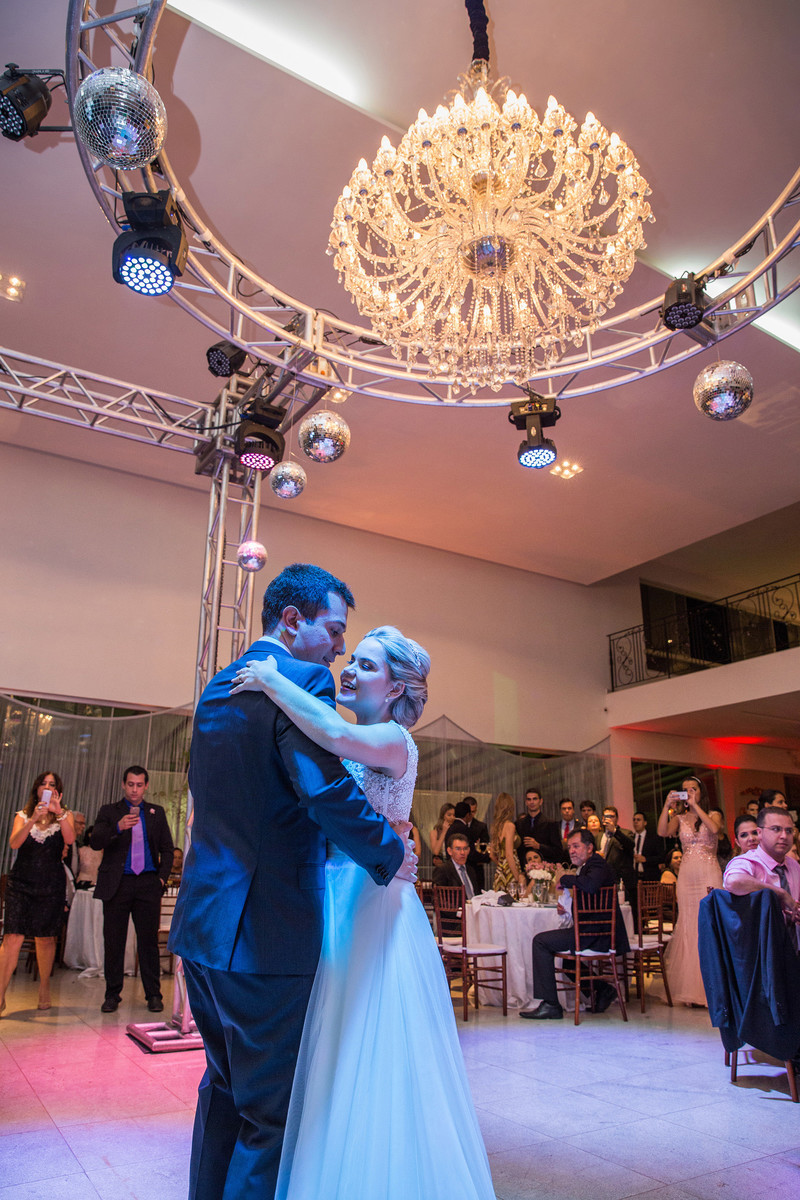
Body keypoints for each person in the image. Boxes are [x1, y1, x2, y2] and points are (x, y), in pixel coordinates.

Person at [169, 564, 412, 1200]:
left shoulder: (215, 691)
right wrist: (391, 851)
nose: (338, 648)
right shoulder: (300, 681)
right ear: (293, 621)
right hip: (266, 935)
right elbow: (325, 790)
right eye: (334, 630)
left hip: (202, 927)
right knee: (268, 1113)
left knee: (222, 1089)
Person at [230, 622, 495, 1200]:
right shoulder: (363, 735)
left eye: (367, 666)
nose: (349, 670)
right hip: (337, 896)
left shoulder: (395, 741)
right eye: (355, 661)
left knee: (372, 1039)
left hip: (374, 905)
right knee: (335, 1037)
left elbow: (325, 726)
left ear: (397, 689)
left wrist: (271, 678)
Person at [519, 828, 630, 1019]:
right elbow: (589, 897)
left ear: (589, 848)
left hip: (597, 934)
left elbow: (589, 885)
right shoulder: (589, 866)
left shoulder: (597, 864)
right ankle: (603, 990)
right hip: (593, 931)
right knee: (566, 959)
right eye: (569, 847)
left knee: (540, 941)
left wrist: (565, 878)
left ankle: (551, 1004)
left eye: (576, 846)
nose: (571, 851)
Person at [91, 766, 174, 1014]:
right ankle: (112, 995)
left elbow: (168, 850)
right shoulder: (109, 811)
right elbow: (95, 841)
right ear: (123, 785)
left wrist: (161, 879)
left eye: (139, 785)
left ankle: (154, 995)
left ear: (146, 786)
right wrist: (117, 827)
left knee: (148, 941)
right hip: (118, 884)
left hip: (148, 883)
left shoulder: (156, 813)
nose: (134, 789)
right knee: (114, 941)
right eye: (130, 784)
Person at [0, 770, 75, 1013]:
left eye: (52, 784)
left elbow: (70, 838)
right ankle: (0, 994)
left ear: (58, 791)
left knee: (46, 938)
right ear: (36, 788)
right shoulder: (23, 816)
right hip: (20, 883)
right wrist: (33, 819)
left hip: (50, 885)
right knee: (12, 937)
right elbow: (14, 843)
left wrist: (58, 812)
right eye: (43, 783)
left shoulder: (66, 815)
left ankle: (44, 988)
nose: (47, 787)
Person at [656, 774, 723, 1006]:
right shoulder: (680, 819)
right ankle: (691, 990)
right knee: (688, 924)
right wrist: (667, 806)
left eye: (693, 789)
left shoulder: (712, 814)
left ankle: (713, 987)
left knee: (710, 924)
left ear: (701, 791)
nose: (689, 793)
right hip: (686, 876)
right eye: (685, 790)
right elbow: (662, 832)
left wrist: (696, 806)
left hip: (709, 873)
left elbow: (714, 830)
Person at [723, 807, 800, 921]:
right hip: (761, 938)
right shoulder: (748, 862)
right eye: (776, 829)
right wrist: (781, 894)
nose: (784, 836)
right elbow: (733, 881)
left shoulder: (793, 865)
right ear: (759, 833)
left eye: (788, 830)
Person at [489, 791, 525, 894]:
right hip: (510, 870)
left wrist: (501, 865)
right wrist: (518, 877)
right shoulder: (509, 826)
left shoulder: (496, 827)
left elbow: (492, 855)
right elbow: (509, 855)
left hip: (500, 871)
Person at [515, 787, 562, 866]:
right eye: (529, 799)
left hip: (545, 871)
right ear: (526, 802)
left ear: (541, 801)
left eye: (535, 799)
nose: (532, 802)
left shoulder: (551, 824)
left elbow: (558, 852)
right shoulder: (518, 824)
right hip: (524, 870)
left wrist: (539, 846)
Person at [433, 831, 484, 897]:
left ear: (468, 850)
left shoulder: (471, 870)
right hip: (455, 907)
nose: (462, 852)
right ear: (449, 851)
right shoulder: (443, 870)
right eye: (458, 849)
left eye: (465, 849)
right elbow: (438, 899)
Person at [631, 811, 663, 882]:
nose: (636, 822)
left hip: (650, 877)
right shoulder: (631, 837)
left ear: (645, 823)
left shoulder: (653, 838)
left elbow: (661, 857)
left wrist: (646, 859)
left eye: (638, 820)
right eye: (634, 820)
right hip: (634, 877)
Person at [430, 801, 456, 866]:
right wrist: (444, 831)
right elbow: (436, 851)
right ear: (443, 816)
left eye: (454, 815)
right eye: (449, 815)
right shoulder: (434, 832)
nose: (452, 817)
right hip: (441, 866)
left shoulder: (456, 830)